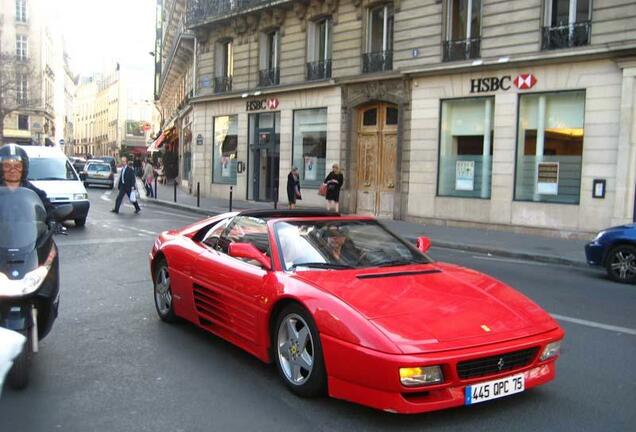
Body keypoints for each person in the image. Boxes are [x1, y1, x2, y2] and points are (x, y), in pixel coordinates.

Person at [0, 143, 54, 220]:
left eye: (17, 166)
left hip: (28, 231)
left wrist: (53, 223)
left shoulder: (36, 194)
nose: (12, 170)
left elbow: (50, 214)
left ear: (24, 168)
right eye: (7, 166)